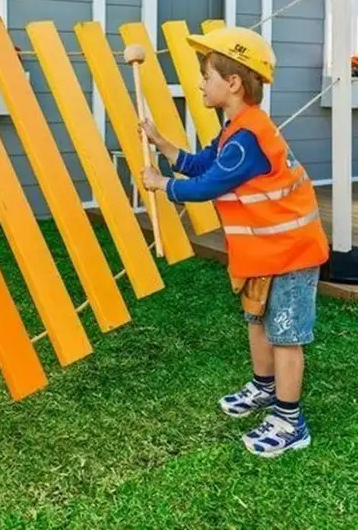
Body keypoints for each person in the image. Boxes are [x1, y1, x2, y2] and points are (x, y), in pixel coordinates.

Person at [139, 26, 329, 458]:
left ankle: (289, 420)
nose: (202, 83)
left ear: (234, 83)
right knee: (258, 322)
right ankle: (265, 389)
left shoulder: (247, 139)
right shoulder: (234, 131)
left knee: (285, 335)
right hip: (267, 252)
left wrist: (161, 184)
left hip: (292, 254)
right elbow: (204, 162)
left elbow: (209, 183)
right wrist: (162, 143)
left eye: (207, 75)